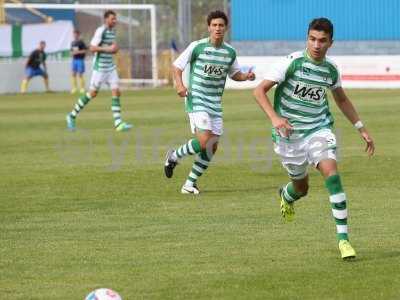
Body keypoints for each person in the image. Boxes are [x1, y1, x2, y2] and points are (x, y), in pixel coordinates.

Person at [253, 18, 375, 260]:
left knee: (332, 175)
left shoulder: (330, 70)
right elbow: (258, 91)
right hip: (288, 137)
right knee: (301, 188)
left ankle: (344, 241)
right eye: (312, 39)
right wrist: (276, 119)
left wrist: (361, 128)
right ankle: (287, 196)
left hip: (319, 129)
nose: (316, 45)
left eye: (322, 40)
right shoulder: (291, 63)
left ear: (331, 43)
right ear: (307, 38)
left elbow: (341, 99)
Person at [164, 10, 256, 194]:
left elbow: (234, 74)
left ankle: (189, 184)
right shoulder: (196, 47)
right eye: (214, 25)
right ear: (209, 27)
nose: (217, 28)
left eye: (221, 25)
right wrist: (180, 86)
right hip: (197, 98)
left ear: (226, 28)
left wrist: (246, 76)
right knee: (204, 139)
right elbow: (177, 66)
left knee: (212, 145)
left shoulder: (230, 52)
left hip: (215, 102)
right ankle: (173, 156)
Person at [66, 10, 132, 132]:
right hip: (100, 68)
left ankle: (118, 123)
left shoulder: (112, 31)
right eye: (112, 19)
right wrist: (108, 49)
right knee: (92, 93)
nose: (115, 21)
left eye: (115, 18)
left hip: (110, 67)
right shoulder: (100, 30)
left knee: (116, 92)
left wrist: (114, 49)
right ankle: (71, 115)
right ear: (106, 19)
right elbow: (92, 47)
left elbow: (112, 47)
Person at [70, 29, 87, 94]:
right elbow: (71, 51)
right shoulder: (72, 43)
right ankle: (74, 88)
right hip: (74, 60)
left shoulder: (81, 42)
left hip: (80, 60)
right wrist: (72, 53)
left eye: (76, 34)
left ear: (78, 35)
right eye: (74, 34)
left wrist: (77, 52)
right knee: (73, 73)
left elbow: (84, 50)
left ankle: (82, 88)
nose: (75, 35)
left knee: (80, 74)